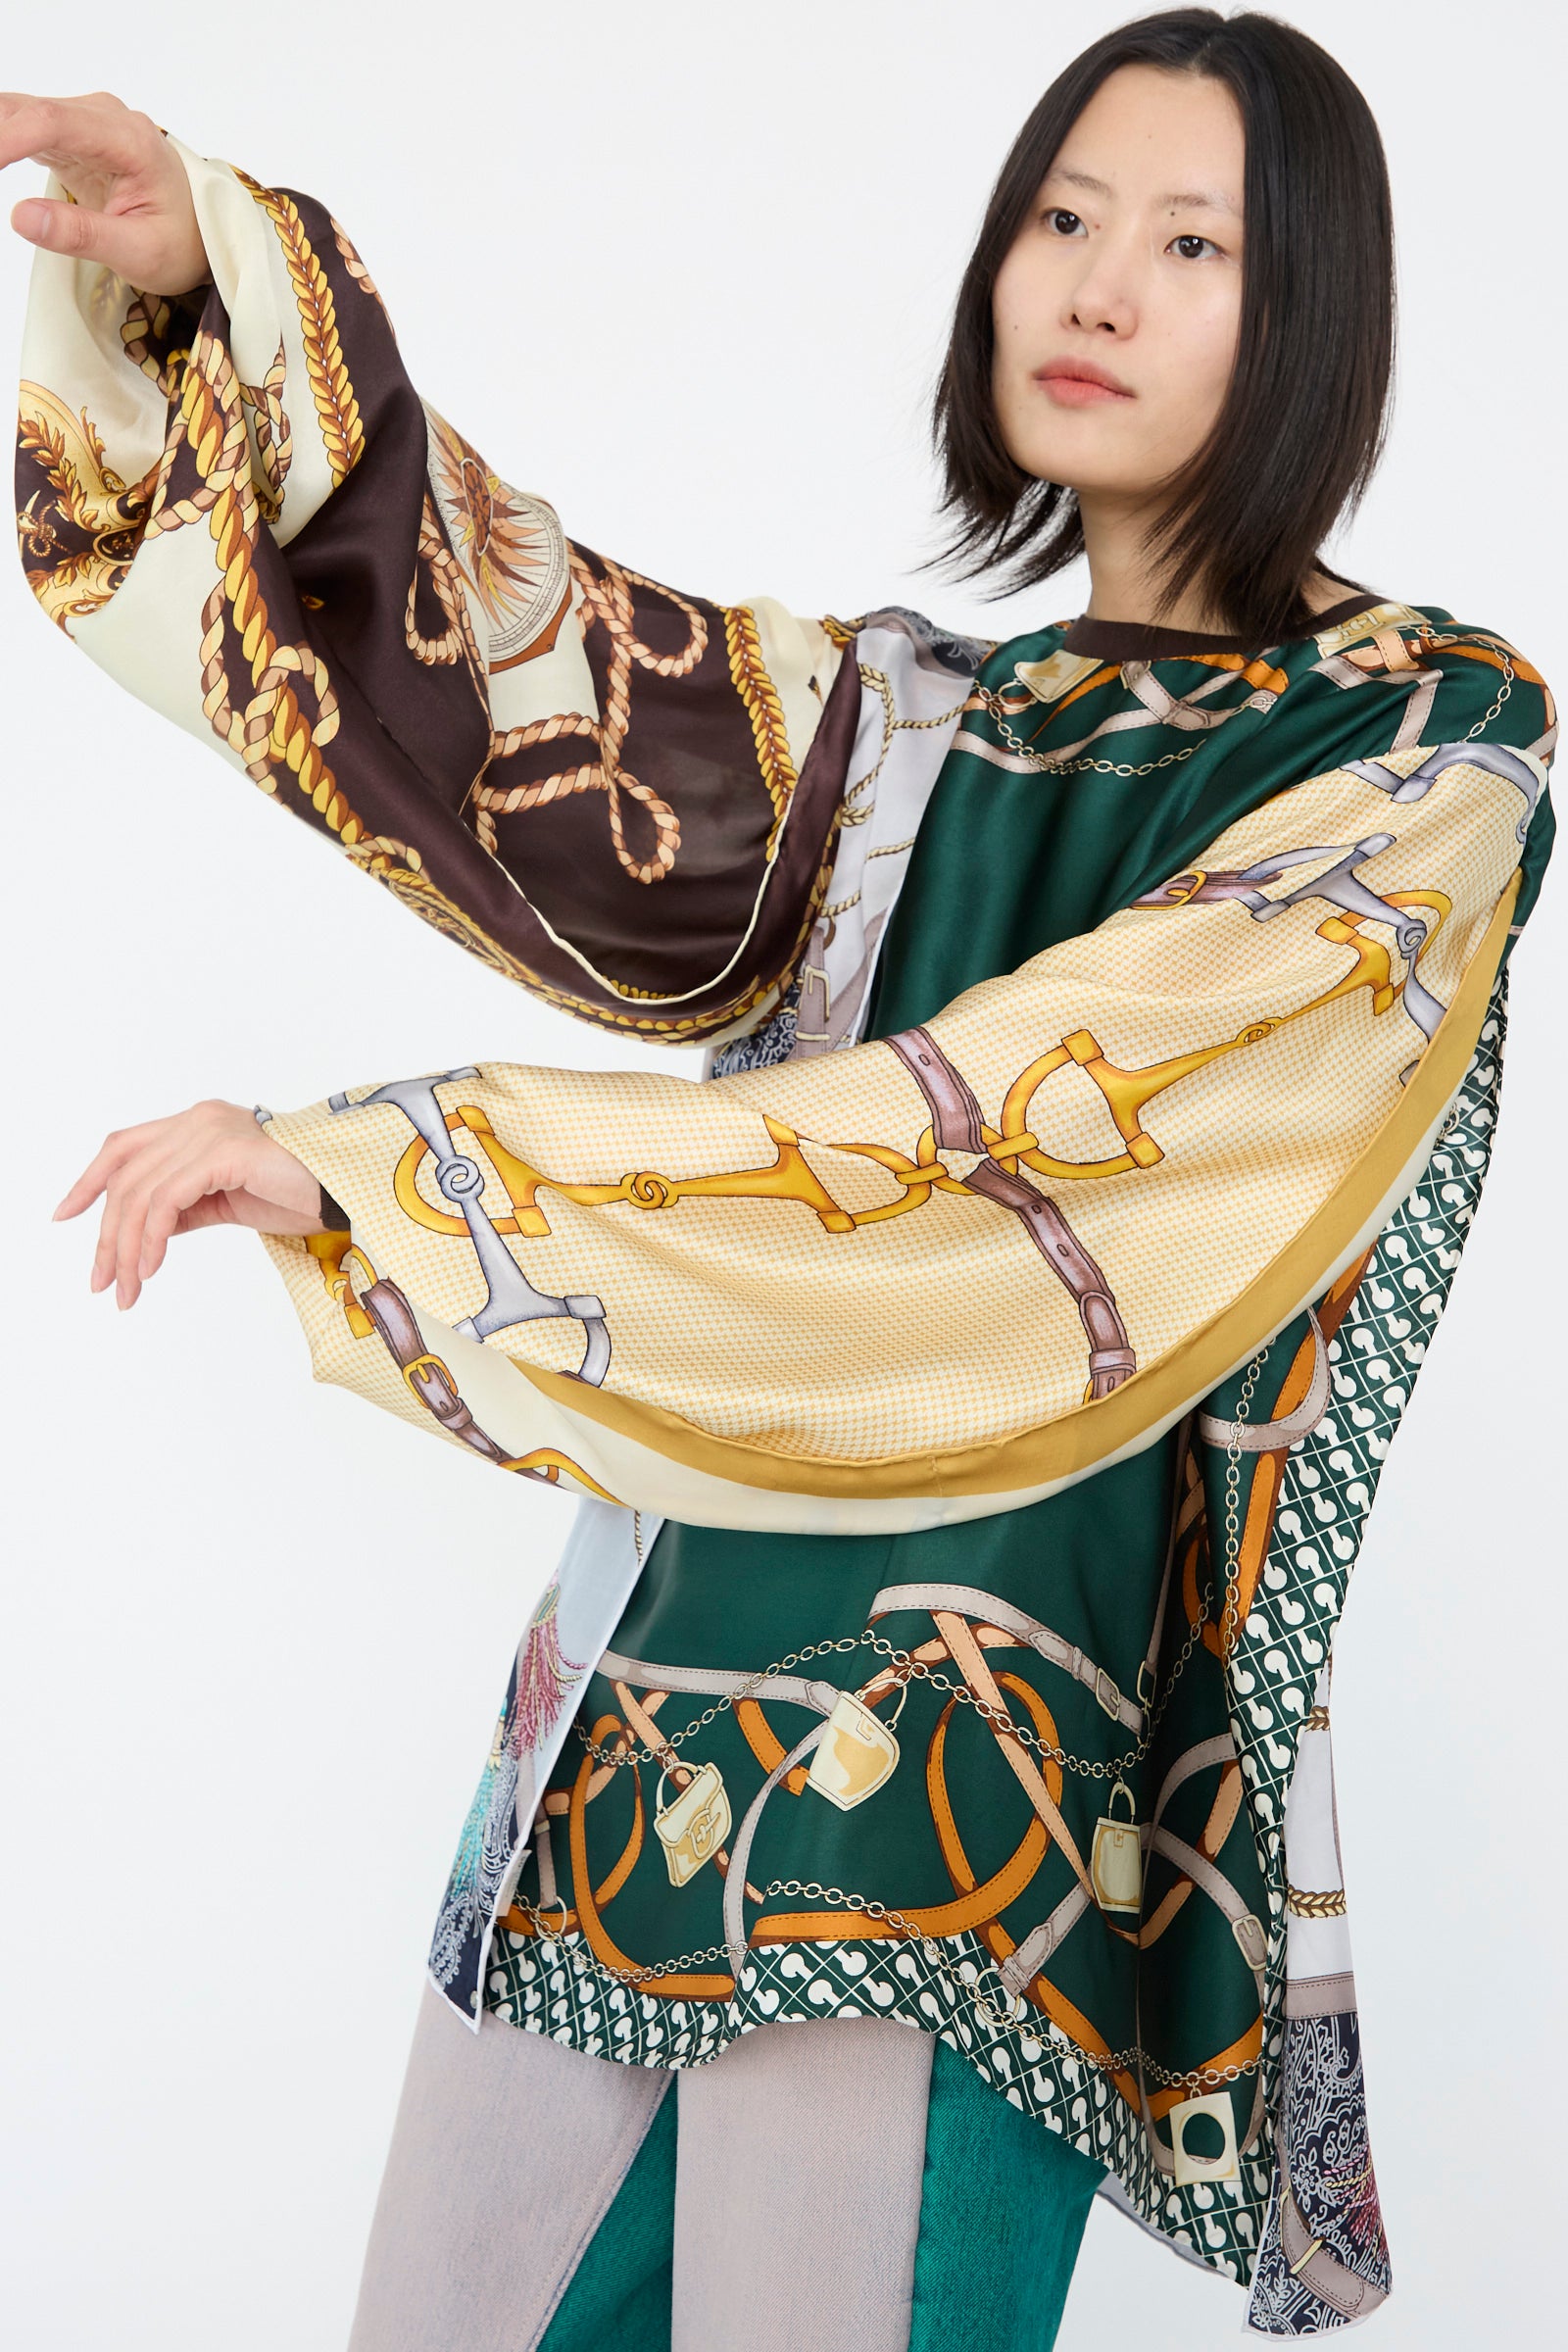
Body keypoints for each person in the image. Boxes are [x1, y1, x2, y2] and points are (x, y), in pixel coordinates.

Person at [6, 10, 1555, 2346]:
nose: (1096, 287)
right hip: (626, 1722)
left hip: (959, 1783)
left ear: (1312, 308)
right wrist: (218, 300)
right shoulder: (905, 731)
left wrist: (392, 1175)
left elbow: (996, 1152)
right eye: (1058, 218)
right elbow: (532, 693)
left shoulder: (1421, 747)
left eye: (1189, 241)